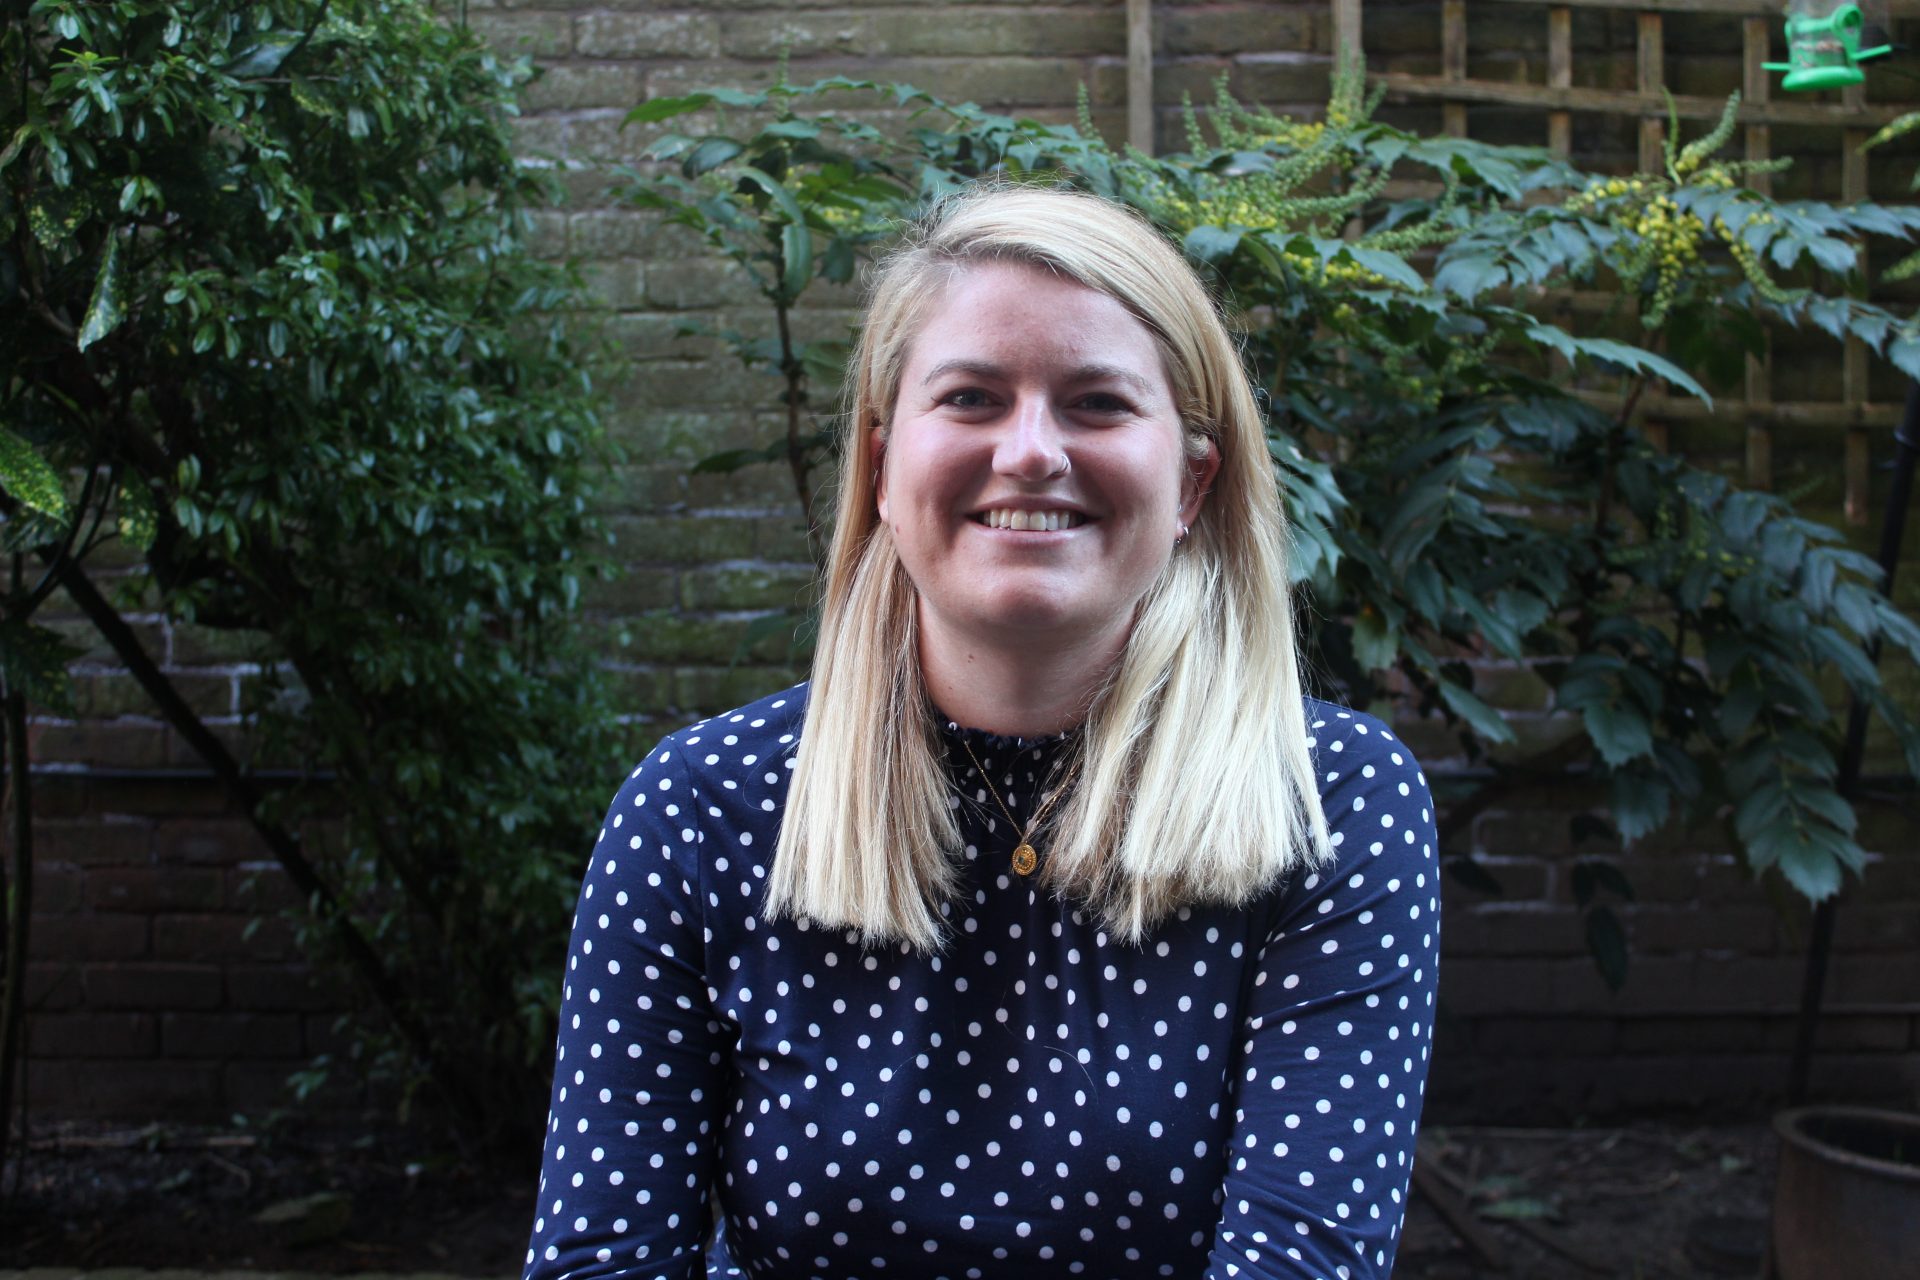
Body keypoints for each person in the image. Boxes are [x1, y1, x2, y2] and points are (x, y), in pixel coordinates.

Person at [523, 186, 1439, 1280]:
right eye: (971, 397)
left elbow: (1302, 1262)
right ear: (879, 461)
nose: (1031, 452)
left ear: (1193, 478)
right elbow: (602, 1257)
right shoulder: (701, 809)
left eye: (1097, 402)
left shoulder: (1327, 800)